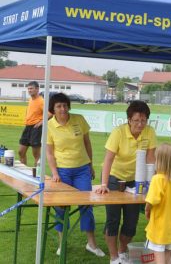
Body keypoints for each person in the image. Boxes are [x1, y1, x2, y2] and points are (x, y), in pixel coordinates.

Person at [96, 100, 157, 264]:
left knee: (131, 221)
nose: (140, 124)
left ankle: (123, 252)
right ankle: (114, 256)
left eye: (143, 120)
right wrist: (104, 184)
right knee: (113, 219)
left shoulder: (149, 132)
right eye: (136, 120)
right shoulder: (118, 132)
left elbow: (151, 159)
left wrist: (152, 183)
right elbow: (108, 159)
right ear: (129, 120)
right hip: (115, 178)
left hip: (137, 180)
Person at [46, 93, 104, 257]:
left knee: (86, 206)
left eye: (65, 105)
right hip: (62, 171)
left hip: (82, 170)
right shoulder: (49, 126)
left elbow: (87, 143)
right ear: (53, 108)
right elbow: (49, 153)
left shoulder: (79, 119)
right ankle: (62, 243)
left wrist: (90, 165)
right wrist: (55, 173)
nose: (63, 109)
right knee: (61, 208)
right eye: (59, 106)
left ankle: (91, 244)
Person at [145, 143, 171, 264]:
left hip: (159, 226)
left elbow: (152, 201)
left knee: (158, 253)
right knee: (168, 251)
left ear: (159, 161)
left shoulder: (157, 179)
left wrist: (147, 210)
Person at [19, 81, 45, 165]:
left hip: (36, 128)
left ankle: (37, 176)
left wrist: (41, 122)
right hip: (28, 127)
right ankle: (23, 173)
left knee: (36, 154)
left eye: (31, 88)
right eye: (28, 89)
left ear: (37, 89)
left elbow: (50, 113)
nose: (29, 90)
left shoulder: (41, 101)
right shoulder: (31, 99)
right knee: (21, 152)